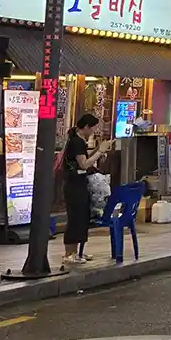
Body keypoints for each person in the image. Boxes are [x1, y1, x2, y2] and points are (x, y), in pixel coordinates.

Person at [62, 114, 110, 265]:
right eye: (93, 128)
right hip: (74, 184)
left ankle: (76, 252)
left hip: (80, 183)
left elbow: (84, 158)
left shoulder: (79, 141)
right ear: (87, 127)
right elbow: (84, 164)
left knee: (82, 218)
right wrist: (100, 151)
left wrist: (98, 148)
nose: (94, 131)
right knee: (75, 218)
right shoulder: (76, 142)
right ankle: (69, 253)